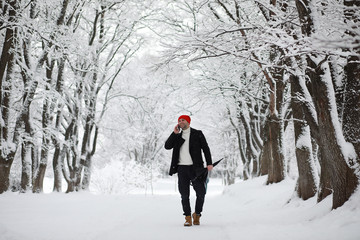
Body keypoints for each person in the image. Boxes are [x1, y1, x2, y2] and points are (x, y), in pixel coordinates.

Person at [164, 115, 213, 226]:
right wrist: (174, 133)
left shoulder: (197, 134)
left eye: (183, 120)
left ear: (188, 122)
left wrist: (209, 163)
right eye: (179, 120)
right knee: (184, 194)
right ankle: (187, 217)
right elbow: (167, 146)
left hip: (196, 168)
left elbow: (206, 148)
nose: (181, 122)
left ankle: (197, 214)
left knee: (201, 193)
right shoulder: (177, 136)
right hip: (181, 168)